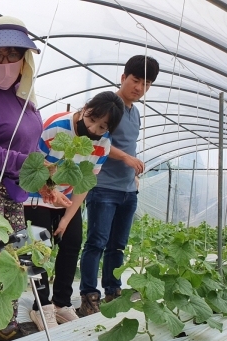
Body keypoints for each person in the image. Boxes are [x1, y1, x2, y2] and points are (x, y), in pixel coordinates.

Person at [0, 16, 67, 341]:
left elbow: (29, 151)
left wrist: (45, 186)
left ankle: (5, 325)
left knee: (16, 256)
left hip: (14, 187)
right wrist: (34, 166)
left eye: (13, 54)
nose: (6, 63)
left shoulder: (27, 102)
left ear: (25, 60)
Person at [24, 92, 124, 327]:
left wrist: (67, 219)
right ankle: (41, 306)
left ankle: (61, 303)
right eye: (91, 119)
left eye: (102, 127)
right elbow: (33, 166)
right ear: (86, 108)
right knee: (40, 249)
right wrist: (50, 192)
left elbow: (83, 183)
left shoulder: (103, 144)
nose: (93, 129)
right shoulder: (56, 127)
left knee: (71, 243)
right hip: (35, 194)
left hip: (67, 197)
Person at [78, 55, 160, 315]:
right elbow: (94, 138)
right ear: (123, 78)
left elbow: (128, 145)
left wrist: (132, 175)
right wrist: (125, 157)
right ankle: (89, 295)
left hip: (127, 191)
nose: (140, 88)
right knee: (96, 243)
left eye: (146, 84)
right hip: (103, 188)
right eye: (136, 80)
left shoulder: (135, 113)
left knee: (117, 246)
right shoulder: (108, 106)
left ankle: (113, 290)